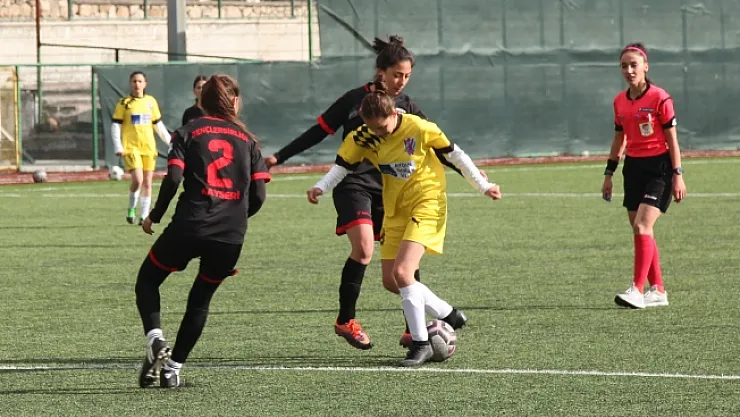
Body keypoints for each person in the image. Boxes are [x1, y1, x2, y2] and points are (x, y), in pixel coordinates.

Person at [307, 81, 501, 367]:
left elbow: (455, 155)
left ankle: (420, 343)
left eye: (381, 127)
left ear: (393, 114)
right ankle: (448, 313)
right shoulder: (365, 135)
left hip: (427, 203)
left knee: (403, 271)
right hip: (395, 210)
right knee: (391, 280)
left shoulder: (419, 127)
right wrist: (321, 186)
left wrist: (483, 185)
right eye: (371, 127)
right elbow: (344, 165)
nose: (378, 132)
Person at [264, 35, 431, 350]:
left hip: (390, 190)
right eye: (397, 75)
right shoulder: (355, 100)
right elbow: (319, 131)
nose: (401, 82)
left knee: (401, 265)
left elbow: (435, 141)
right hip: (352, 183)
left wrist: (469, 171)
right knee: (364, 249)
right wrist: (279, 157)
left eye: (407, 76)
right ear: (381, 71)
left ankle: (414, 329)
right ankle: (346, 320)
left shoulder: (406, 106)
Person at [134, 74, 270, 388]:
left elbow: (174, 179)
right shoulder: (249, 141)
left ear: (201, 101)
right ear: (234, 101)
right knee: (201, 299)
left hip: (190, 224)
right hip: (230, 235)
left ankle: (155, 339)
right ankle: (173, 369)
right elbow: (260, 195)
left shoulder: (187, 132)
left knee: (148, 280)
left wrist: (154, 215)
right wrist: (237, 218)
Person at [602, 42, 687, 309]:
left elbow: (672, 140)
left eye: (633, 65)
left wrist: (678, 174)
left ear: (645, 67)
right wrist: (609, 174)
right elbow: (619, 139)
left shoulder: (660, 98)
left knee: (642, 225)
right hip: (633, 169)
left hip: (659, 169)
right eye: (624, 66)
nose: (628, 70)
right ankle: (658, 290)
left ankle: (637, 290)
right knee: (641, 230)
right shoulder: (619, 101)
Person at [111, 71, 172, 225]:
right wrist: (118, 145)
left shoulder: (151, 102)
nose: (137, 84)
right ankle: (131, 208)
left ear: (145, 84)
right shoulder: (124, 103)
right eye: (134, 81)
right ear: (130, 83)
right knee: (138, 180)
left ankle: (144, 216)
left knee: (148, 183)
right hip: (131, 148)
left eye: (140, 81)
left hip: (148, 148)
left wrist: (171, 142)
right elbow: (116, 125)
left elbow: (158, 125)